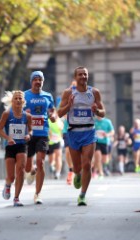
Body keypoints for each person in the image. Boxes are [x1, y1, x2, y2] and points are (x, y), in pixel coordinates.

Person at [57, 66, 105, 206]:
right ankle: (77, 174)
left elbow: (103, 113)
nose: (83, 77)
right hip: (73, 132)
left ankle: (82, 195)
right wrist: (69, 106)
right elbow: (59, 113)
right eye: (80, 75)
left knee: (87, 164)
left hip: (89, 131)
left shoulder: (94, 92)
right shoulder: (68, 93)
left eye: (85, 74)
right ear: (75, 77)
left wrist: (97, 110)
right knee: (77, 167)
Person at [24, 70, 56, 205]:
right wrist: (25, 113)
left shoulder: (48, 96)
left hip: (42, 133)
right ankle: (31, 171)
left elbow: (51, 111)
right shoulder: (24, 95)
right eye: (35, 79)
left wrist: (53, 116)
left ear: (43, 81)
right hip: (28, 133)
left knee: (41, 162)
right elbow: (17, 110)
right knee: (27, 166)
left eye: (40, 79)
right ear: (32, 81)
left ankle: (37, 193)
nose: (38, 81)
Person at [0, 91, 32, 207]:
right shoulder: (7, 114)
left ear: (23, 101)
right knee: (11, 176)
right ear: (12, 101)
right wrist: (8, 138)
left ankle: (16, 198)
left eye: (20, 98)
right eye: (15, 98)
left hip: (22, 145)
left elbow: (31, 130)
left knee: (21, 170)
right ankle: (8, 185)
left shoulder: (27, 116)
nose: (17, 100)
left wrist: (29, 135)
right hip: (11, 146)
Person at [47, 115, 64, 179]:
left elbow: (62, 130)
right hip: (50, 142)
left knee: (58, 156)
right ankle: (52, 165)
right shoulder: (48, 121)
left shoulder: (60, 122)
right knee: (51, 159)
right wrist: (49, 132)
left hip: (58, 141)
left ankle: (58, 173)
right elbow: (47, 129)